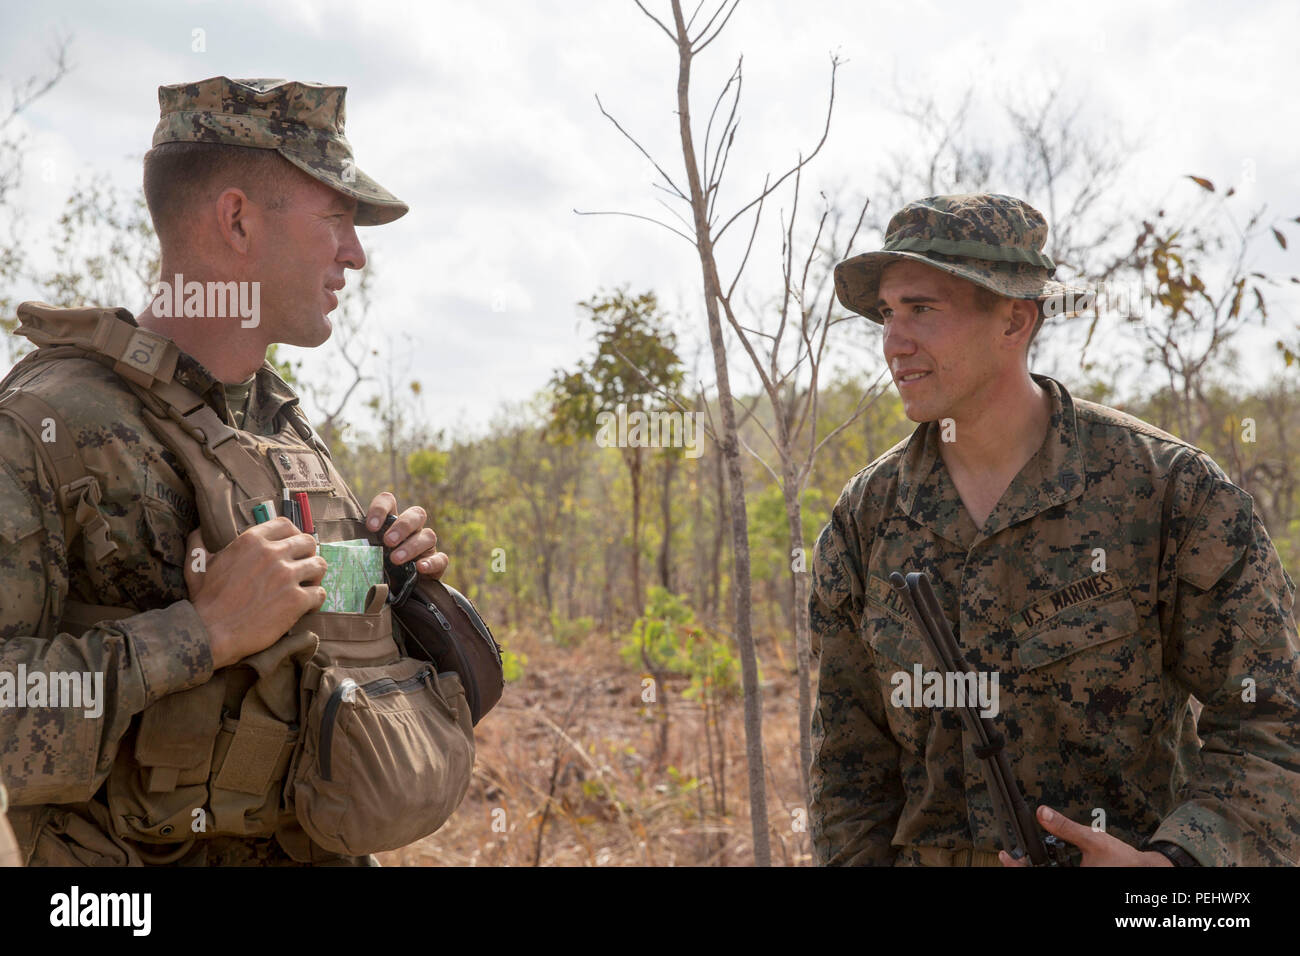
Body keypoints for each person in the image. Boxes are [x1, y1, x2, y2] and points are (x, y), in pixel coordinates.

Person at [0, 77, 470, 866]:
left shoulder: (281, 427)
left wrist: (384, 592)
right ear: (238, 219)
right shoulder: (46, 426)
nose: (354, 254)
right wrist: (199, 634)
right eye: (337, 219)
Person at [809, 193, 1300, 867]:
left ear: (1014, 320)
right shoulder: (865, 519)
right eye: (887, 314)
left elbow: (1272, 718)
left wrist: (1173, 866)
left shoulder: (1170, 493)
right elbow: (847, 769)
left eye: (921, 309)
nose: (894, 341)